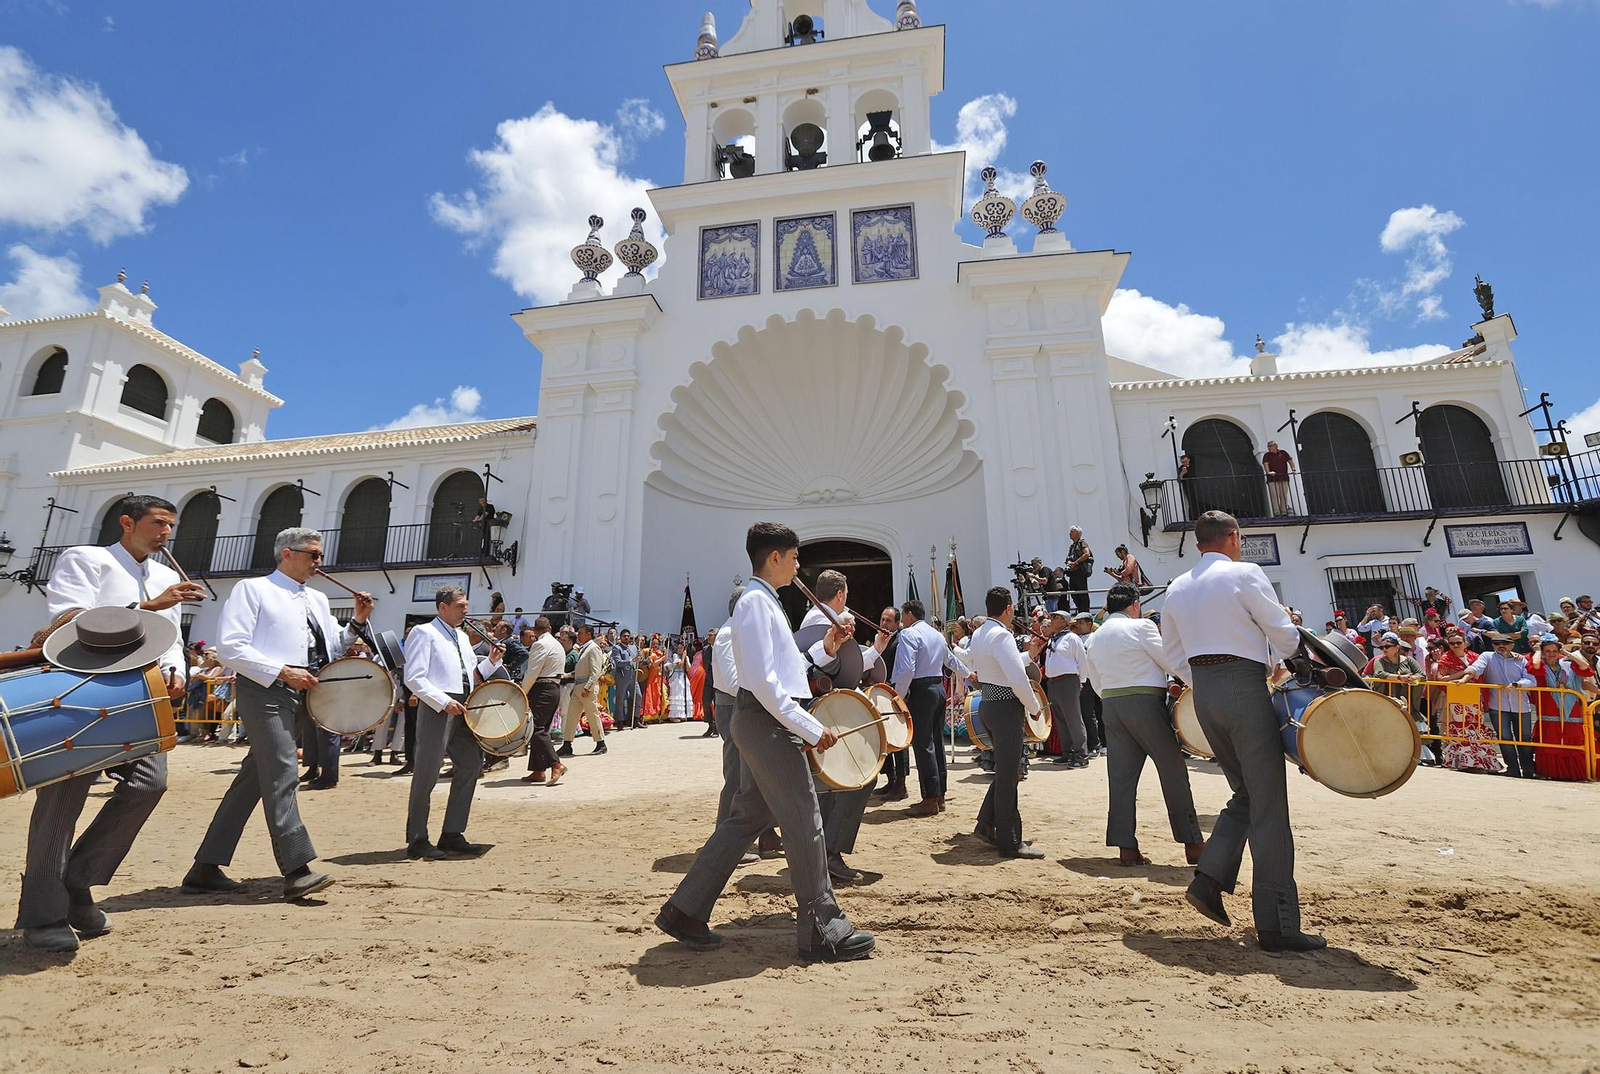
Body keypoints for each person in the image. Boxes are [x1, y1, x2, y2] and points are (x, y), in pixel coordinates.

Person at [655, 522, 873, 962]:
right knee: (806, 819)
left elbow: (787, 669)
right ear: (774, 557)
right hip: (768, 723)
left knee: (746, 819)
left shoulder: (765, 601)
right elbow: (763, 683)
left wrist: (827, 647)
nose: (798, 565)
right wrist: (811, 729)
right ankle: (822, 929)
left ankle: (685, 910)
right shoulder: (756, 602)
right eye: (794, 557)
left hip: (766, 721)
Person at [16, 495, 201, 952]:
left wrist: (177, 670)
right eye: (158, 523)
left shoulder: (166, 576)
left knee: (150, 784)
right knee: (63, 799)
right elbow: (69, 619)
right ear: (126, 522)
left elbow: (170, 638)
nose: (166, 533)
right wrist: (146, 605)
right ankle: (43, 915)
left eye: (171, 526)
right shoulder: (86, 558)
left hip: (140, 692)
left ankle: (77, 883)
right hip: (79, 688)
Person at [1162, 510, 1325, 952]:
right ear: (1234, 538)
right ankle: (1277, 925)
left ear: (1199, 544)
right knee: (1269, 803)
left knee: (1249, 795)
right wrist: (1295, 654)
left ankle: (1210, 878)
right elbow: (1283, 633)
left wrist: (1205, 682)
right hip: (1242, 687)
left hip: (1203, 694)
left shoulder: (1177, 587)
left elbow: (1172, 655)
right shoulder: (1245, 573)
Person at [183, 526, 371, 901]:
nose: (319, 561)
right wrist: (283, 671)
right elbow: (231, 647)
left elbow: (334, 645)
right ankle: (297, 869)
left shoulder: (318, 599)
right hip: (264, 690)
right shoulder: (252, 589)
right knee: (284, 771)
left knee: (255, 778)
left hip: (304, 691)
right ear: (287, 553)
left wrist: (358, 621)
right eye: (313, 554)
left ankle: (205, 867)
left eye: (320, 555)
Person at [1082, 582, 1205, 867]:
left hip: (1111, 705)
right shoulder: (1142, 627)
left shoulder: (1095, 637)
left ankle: (1126, 846)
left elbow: (1095, 682)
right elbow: (1171, 662)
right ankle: (1192, 843)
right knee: (1173, 769)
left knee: (1121, 778)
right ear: (1135, 605)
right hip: (1145, 702)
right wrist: (1198, 685)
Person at [402, 585, 502, 860]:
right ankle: (417, 838)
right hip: (439, 705)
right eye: (460, 606)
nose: (465, 610)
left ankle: (452, 833)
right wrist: (443, 701)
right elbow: (413, 676)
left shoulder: (461, 636)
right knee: (427, 771)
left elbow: (471, 674)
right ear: (442, 607)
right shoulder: (424, 632)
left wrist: (492, 661)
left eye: (466, 605)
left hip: (464, 704)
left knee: (471, 765)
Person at [794, 570, 874, 883]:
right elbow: (827, 667)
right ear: (840, 595)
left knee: (828, 782)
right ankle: (829, 852)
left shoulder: (819, 619)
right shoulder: (822, 619)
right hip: (823, 711)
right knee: (856, 775)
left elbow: (845, 663)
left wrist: (875, 649)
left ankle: (821, 852)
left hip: (823, 709)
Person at [965, 587, 1046, 859]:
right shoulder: (1001, 635)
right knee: (1009, 776)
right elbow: (1017, 678)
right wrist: (1034, 707)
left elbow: (998, 666)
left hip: (989, 704)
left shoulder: (981, 632)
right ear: (1009, 608)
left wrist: (1028, 655)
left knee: (1005, 772)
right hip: (1006, 708)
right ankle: (1010, 841)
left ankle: (986, 824)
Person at [892, 598, 961, 816]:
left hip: (921, 689)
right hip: (937, 686)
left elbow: (906, 669)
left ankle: (930, 798)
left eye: (903, 616)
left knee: (923, 744)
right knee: (936, 742)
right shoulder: (937, 634)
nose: (902, 621)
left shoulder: (908, 634)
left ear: (909, 614)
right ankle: (939, 795)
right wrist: (969, 674)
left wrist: (899, 695)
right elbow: (951, 660)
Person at [1463, 631, 1537, 778]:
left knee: (1524, 738)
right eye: (1497, 643)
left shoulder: (1521, 660)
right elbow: (1477, 667)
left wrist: (1516, 684)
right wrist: (1467, 674)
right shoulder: (1487, 656)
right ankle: (1513, 769)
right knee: (1505, 738)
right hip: (1498, 704)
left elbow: (1531, 680)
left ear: (1512, 645)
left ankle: (1528, 769)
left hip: (1521, 704)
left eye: (1505, 643)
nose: (1501, 646)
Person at [1530, 634, 1592, 780]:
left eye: (1554, 651)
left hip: (1571, 709)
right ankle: (1552, 772)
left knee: (1572, 739)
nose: (1551, 654)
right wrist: (1538, 650)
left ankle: (1572, 773)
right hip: (1549, 709)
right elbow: (1535, 665)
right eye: (1548, 651)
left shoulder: (1568, 665)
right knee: (1551, 741)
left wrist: (1565, 652)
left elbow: (1585, 666)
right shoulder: (1542, 666)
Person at [519, 616, 567, 786]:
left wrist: (523, 691)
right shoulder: (557, 644)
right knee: (542, 729)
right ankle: (538, 770)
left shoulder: (540, 644)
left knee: (536, 729)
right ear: (550, 629)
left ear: (535, 630)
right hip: (554, 688)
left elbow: (532, 672)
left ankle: (556, 764)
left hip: (542, 688)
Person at [1040, 610, 1090, 768]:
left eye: (1055, 617)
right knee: (1061, 720)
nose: (1051, 620)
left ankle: (1081, 754)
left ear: (1064, 621)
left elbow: (1082, 661)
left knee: (1073, 719)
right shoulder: (1053, 639)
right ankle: (1067, 752)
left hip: (1068, 681)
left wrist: (1081, 680)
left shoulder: (1072, 638)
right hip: (1053, 683)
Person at [563, 621, 608, 755]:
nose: (578, 636)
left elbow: (595, 671)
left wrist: (588, 688)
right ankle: (567, 744)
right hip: (578, 687)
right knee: (571, 715)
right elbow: (581, 670)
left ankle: (601, 743)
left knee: (592, 715)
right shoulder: (584, 649)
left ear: (589, 634)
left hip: (587, 688)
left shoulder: (593, 648)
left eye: (581, 633)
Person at [609, 629, 639, 730]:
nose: (626, 637)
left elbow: (637, 659)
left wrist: (640, 658)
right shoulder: (617, 648)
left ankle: (635, 719)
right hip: (622, 674)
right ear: (621, 637)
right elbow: (618, 662)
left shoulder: (633, 647)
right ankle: (620, 721)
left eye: (628, 636)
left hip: (633, 674)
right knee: (620, 698)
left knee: (638, 696)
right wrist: (631, 661)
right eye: (624, 636)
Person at [1262, 439, 1296, 516]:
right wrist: (1269, 472)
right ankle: (1276, 512)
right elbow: (1265, 464)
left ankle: (1284, 512)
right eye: (1268, 446)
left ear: (1275, 446)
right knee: (1274, 496)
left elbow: (1290, 461)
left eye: (1270, 446)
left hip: (1284, 477)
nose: (1268, 448)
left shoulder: (1283, 453)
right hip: (1272, 479)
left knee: (1284, 495)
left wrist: (1294, 469)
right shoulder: (1267, 455)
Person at [1064, 527, 1094, 614]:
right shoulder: (1072, 546)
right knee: (1073, 592)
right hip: (1073, 572)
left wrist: (1076, 563)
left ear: (1077, 534)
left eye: (1072, 531)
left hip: (1080, 572)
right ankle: (1081, 610)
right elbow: (1069, 558)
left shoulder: (1082, 542)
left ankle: (1085, 612)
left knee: (1082, 593)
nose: (1069, 533)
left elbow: (1087, 554)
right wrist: (1069, 563)